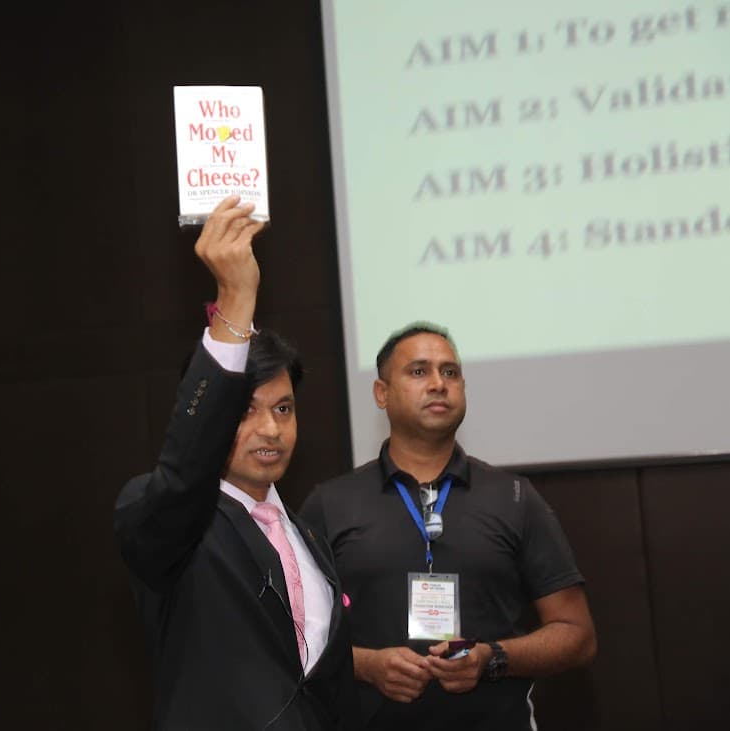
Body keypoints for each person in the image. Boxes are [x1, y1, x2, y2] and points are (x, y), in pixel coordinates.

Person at [114, 196, 359, 730]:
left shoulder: (307, 537)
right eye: (246, 409)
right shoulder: (172, 517)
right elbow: (184, 474)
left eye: (284, 408)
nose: (270, 428)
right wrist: (235, 300)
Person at [300, 323, 596, 730]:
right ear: (381, 394)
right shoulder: (330, 504)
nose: (439, 383)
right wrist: (366, 665)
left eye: (450, 372)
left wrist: (491, 658)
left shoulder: (514, 498)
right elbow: (291, 639)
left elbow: (576, 634)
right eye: (419, 371)